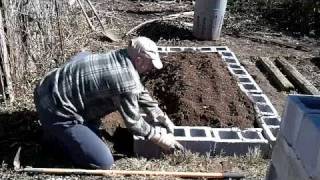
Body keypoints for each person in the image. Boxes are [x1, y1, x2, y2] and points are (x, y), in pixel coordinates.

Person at [34, 36, 183, 169]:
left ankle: (64, 128)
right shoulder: (125, 81)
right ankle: (56, 137)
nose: (151, 68)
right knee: (104, 162)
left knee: (84, 56)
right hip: (54, 108)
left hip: (46, 87)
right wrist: (160, 138)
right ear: (139, 60)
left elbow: (139, 89)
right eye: (150, 63)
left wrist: (159, 115)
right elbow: (134, 123)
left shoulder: (121, 56)